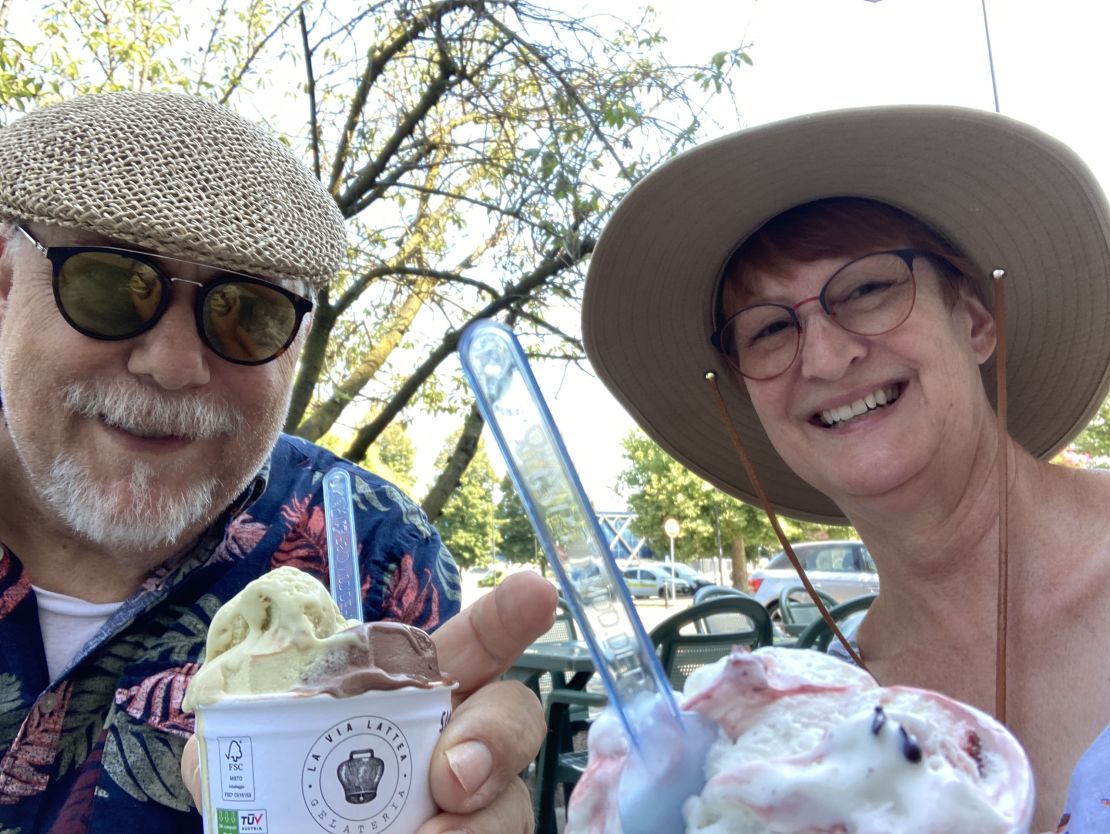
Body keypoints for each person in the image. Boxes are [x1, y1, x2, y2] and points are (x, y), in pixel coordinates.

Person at [0, 91, 553, 832]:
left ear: (295, 342)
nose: (172, 364)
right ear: (4, 285)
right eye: (109, 284)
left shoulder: (379, 552)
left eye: (247, 309)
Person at [581, 105, 1110, 833]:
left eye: (868, 289)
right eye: (769, 330)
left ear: (977, 319)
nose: (826, 357)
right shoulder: (802, 721)